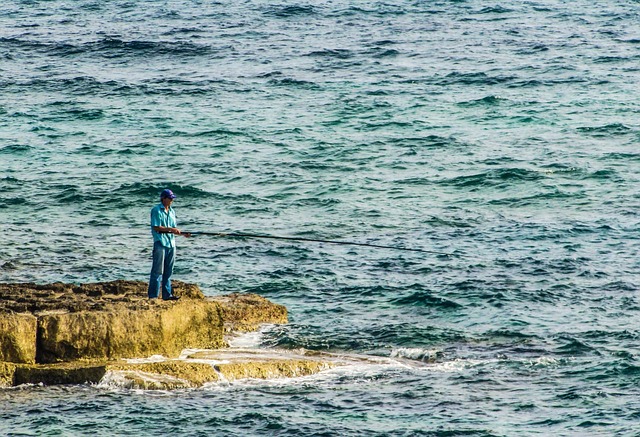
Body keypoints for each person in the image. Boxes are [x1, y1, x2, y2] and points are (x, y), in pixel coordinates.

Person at [148, 189, 190, 300]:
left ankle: (167, 295)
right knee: (157, 271)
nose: (172, 200)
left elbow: (173, 230)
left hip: (171, 244)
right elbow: (156, 227)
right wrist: (171, 229)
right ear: (163, 198)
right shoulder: (156, 210)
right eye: (170, 198)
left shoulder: (172, 211)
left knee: (169, 271)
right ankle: (153, 296)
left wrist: (183, 234)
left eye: (172, 198)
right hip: (160, 243)